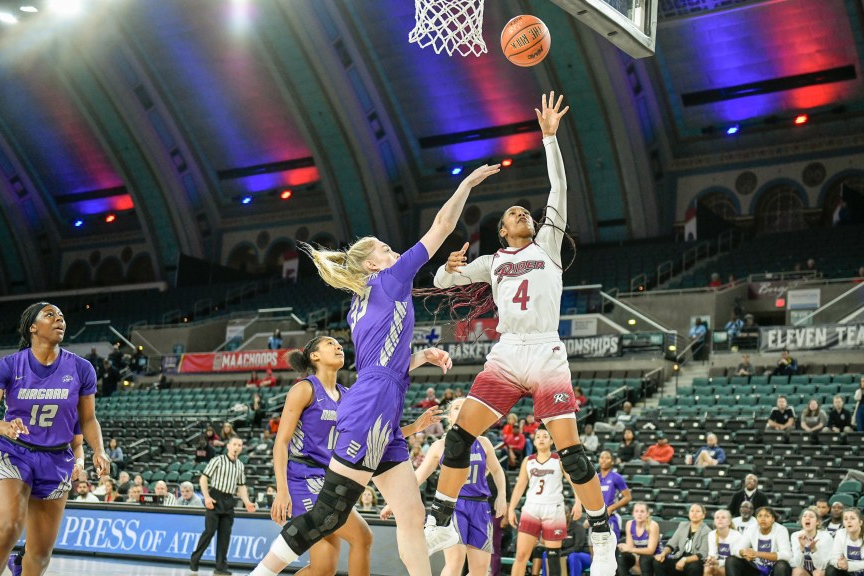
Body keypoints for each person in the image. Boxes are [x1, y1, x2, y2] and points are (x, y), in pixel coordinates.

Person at [243, 151, 499, 576]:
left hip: (382, 397)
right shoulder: (391, 279)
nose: (392, 249)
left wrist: (417, 357)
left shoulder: (361, 304)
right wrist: (466, 185)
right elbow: (441, 227)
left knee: (412, 517)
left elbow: (380, 362)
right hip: (371, 405)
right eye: (384, 248)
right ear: (372, 264)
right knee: (330, 515)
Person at [422, 94, 617, 575]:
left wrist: (549, 137)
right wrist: (448, 269)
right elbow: (446, 282)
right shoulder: (493, 263)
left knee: (571, 454)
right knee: (456, 437)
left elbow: (559, 189)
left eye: (525, 212)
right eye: (512, 213)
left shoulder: (548, 242)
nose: (521, 213)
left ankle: (601, 533)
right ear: (502, 229)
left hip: (547, 350)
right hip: (507, 353)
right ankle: (441, 519)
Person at [251, 336, 441, 576]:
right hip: (304, 478)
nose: (338, 346)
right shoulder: (304, 389)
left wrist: (414, 427)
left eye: (339, 344)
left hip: (331, 477)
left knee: (323, 569)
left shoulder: (349, 395)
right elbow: (281, 442)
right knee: (362, 537)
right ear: (314, 356)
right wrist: (282, 490)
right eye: (330, 344)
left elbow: (371, 434)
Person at [0, 302, 109, 576]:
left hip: (57, 457)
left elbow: (88, 419)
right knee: (9, 527)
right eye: (50, 315)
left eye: (61, 316)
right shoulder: (8, 366)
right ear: (32, 327)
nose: (59, 319)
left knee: (40, 552)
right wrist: (4, 427)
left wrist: (99, 450)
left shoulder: (82, 369)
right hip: (13, 451)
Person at [382, 397, 506, 576]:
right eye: (456, 408)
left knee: (479, 570)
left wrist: (501, 495)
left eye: (466, 407)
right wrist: (392, 504)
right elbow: (417, 477)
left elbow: (497, 471)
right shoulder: (439, 446)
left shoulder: (484, 443)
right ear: (449, 416)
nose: (462, 410)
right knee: (454, 564)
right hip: (452, 505)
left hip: (480, 506)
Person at [507, 427, 580, 576]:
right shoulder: (528, 461)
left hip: (553, 509)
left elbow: (574, 482)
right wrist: (511, 509)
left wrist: (578, 503)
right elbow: (520, 486)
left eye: (545, 436)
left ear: (552, 441)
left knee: (553, 557)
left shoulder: (559, 460)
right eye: (538, 436)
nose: (541, 439)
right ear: (534, 442)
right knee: (521, 555)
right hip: (531, 508)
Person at [191, 436, 256, 574]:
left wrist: (247, 502)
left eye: (239, 445)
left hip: (229, 500)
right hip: (215, 497)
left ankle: (220, 568)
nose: (237, 447)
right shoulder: (217, 460)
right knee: (209, 532)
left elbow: (241, 486)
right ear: (228, 446)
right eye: (234, 444)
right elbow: (203, 479)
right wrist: (206, 497)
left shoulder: (240, 465)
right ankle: (194, 560)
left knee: (225, 536)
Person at [726, 506, 792, 576]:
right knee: (731, 560)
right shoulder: (751, 529)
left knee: (781, 565)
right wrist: (744, 552)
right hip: (756, 569)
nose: (763, 519)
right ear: (756, 518)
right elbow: (735, 549)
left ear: (773, 519)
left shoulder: (781, 530)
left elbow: (786, 555)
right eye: (760, 516)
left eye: (767, 516)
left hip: (774, 568)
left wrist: (757, 554)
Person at [652, 503, 710, 576]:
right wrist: (663, 554)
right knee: (658, 562)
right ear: (689, 514)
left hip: (695, 561)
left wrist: (684, 560)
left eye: (698, 511)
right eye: (692, 511)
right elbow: (672, 543)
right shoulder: (683, 525)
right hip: (679, 557)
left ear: (703, 515)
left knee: (694, 567)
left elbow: (702, 554)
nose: (694, 513)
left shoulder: (707, 531)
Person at [827, 508, 864, 576]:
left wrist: (849, 566)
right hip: (850, 572)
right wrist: (839, 564)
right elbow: (833, 558)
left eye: (852, 518)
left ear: (860, 522)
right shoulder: (840, 534)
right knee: (831, 569)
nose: (848, 521)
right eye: (845, 519)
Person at [596, 451, 631, 543]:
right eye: (601, 457)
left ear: (612, 461)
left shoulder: (616, 477)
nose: (604, 460)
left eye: (607, 457)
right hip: (596, 517)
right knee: (593, 547)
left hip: (611, 518)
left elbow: (628, 497)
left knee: (611, 548)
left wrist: (611, 508)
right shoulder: (595, 478)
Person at [618, 502, 660, 576]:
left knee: (644, 560)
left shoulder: (653, 525)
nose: (639, 514)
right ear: (633, 514)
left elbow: (651, 550)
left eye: (642, 511)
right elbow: (629, 547)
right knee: (622, 557)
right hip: (638, 554)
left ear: (647, 514)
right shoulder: (629, 524)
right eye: (636, 511)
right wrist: (623, 548)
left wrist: (631, 550)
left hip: (654, 556)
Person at [790, 507, 831, 576]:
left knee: (817, 573)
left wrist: (814, 549)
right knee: (797, 571)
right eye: (804, 516)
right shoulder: (795, 536)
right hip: (805, 571)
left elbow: (822, 566)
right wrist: (801, 547)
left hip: (821, 571)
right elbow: (797, 564)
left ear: (817, 522)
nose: (807, 518)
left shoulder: (826, 537)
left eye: (811, 516)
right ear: (801, 521)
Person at [704, 509, 742, 576]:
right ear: (714, 521)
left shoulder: (736, 535)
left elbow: (734, 559)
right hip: (717, 563)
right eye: (717, 517)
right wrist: (710, 560)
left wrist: (718, 562)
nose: (720, 519)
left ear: (729, 522)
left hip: (732, 565)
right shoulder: (711, 534)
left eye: (723, 517)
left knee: (722, 571)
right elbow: (712, 553)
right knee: (707, 569)